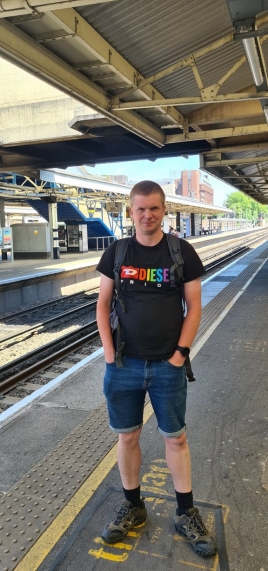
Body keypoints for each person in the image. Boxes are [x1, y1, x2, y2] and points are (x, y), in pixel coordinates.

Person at [96, 181, 217, 557]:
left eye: (154, 209)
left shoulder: (182, 252)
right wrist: (109, 354)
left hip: (168, 365)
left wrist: (180, 355)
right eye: (140, 209)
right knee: (127, 437)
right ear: (130, 212)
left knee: (175, 438)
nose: (147, 215)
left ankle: (185, 513)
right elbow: (102, 304)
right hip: (124, 364)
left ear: (164, 211)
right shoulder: (116, 252)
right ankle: (133, 505)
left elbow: (194, 307)